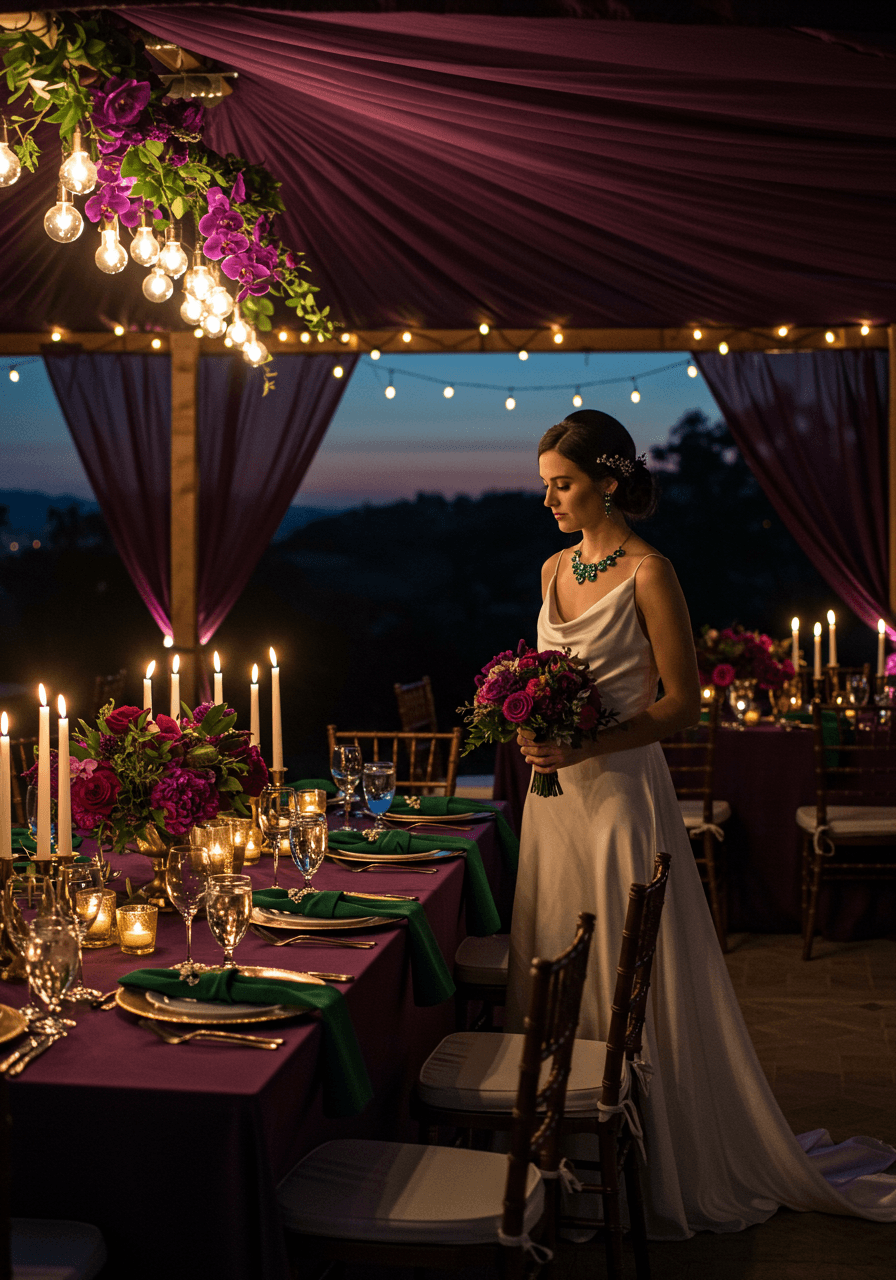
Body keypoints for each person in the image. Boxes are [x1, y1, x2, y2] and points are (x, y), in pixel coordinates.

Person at [505, 408, 896, 1238]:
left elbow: (680, 706)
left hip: (617, 799)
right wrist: (527, 723)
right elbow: (538, 680)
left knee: (624, 967)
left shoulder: (651, 573)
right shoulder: (549, 569)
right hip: (556, 808)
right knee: (556, 957)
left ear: (608, 481)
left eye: (563, 484)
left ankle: (658, 1155)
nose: (550, 501)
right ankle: (563, 1159)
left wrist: (588, 744)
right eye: (545, 487)